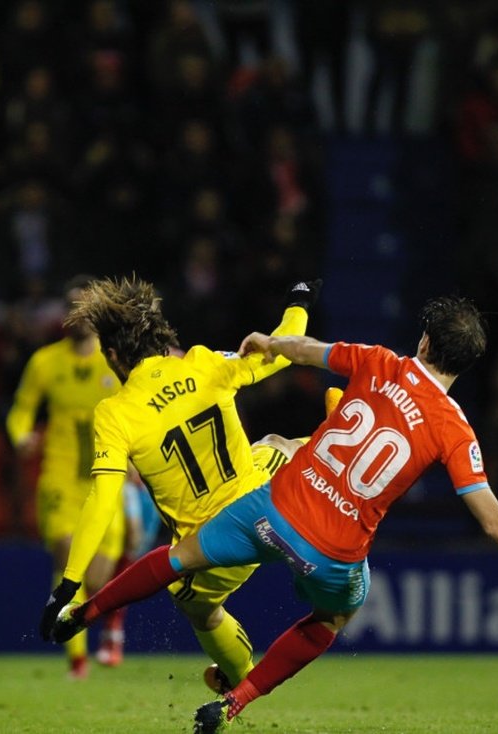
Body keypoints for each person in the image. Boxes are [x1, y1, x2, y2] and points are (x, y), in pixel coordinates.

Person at [49, 295, 498, 732]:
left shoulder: (380, 362)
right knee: (333, 620)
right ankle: (236, 701)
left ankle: (87, 613)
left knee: (177, 558)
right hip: (335, 553)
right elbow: (493, 521)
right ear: (467, 366)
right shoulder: (456, 429)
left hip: (272, 510)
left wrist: (268, 340)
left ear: (423, 340)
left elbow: (302, 349)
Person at [38, 275, 321, 692]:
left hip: (217, 546)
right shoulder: (204, 362)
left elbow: (103, 499)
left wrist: (69, 585)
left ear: (113, 355)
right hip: (269, 495)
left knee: (198, 608)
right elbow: (283, 351)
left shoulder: (115, 413)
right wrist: (299, 300)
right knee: (279, 444)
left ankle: (240, 675)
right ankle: (346, 451)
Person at [7, 275, 123, 677]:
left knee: (97, 578)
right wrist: (21, 436)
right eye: (73, 306)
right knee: (66, 553)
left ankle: (100, 633)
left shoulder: (116, 360)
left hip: (107, 481)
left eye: (87, 306)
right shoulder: (44, 362)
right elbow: (21, 410)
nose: (80, 315)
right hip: (59, 479)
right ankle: (76, 658)